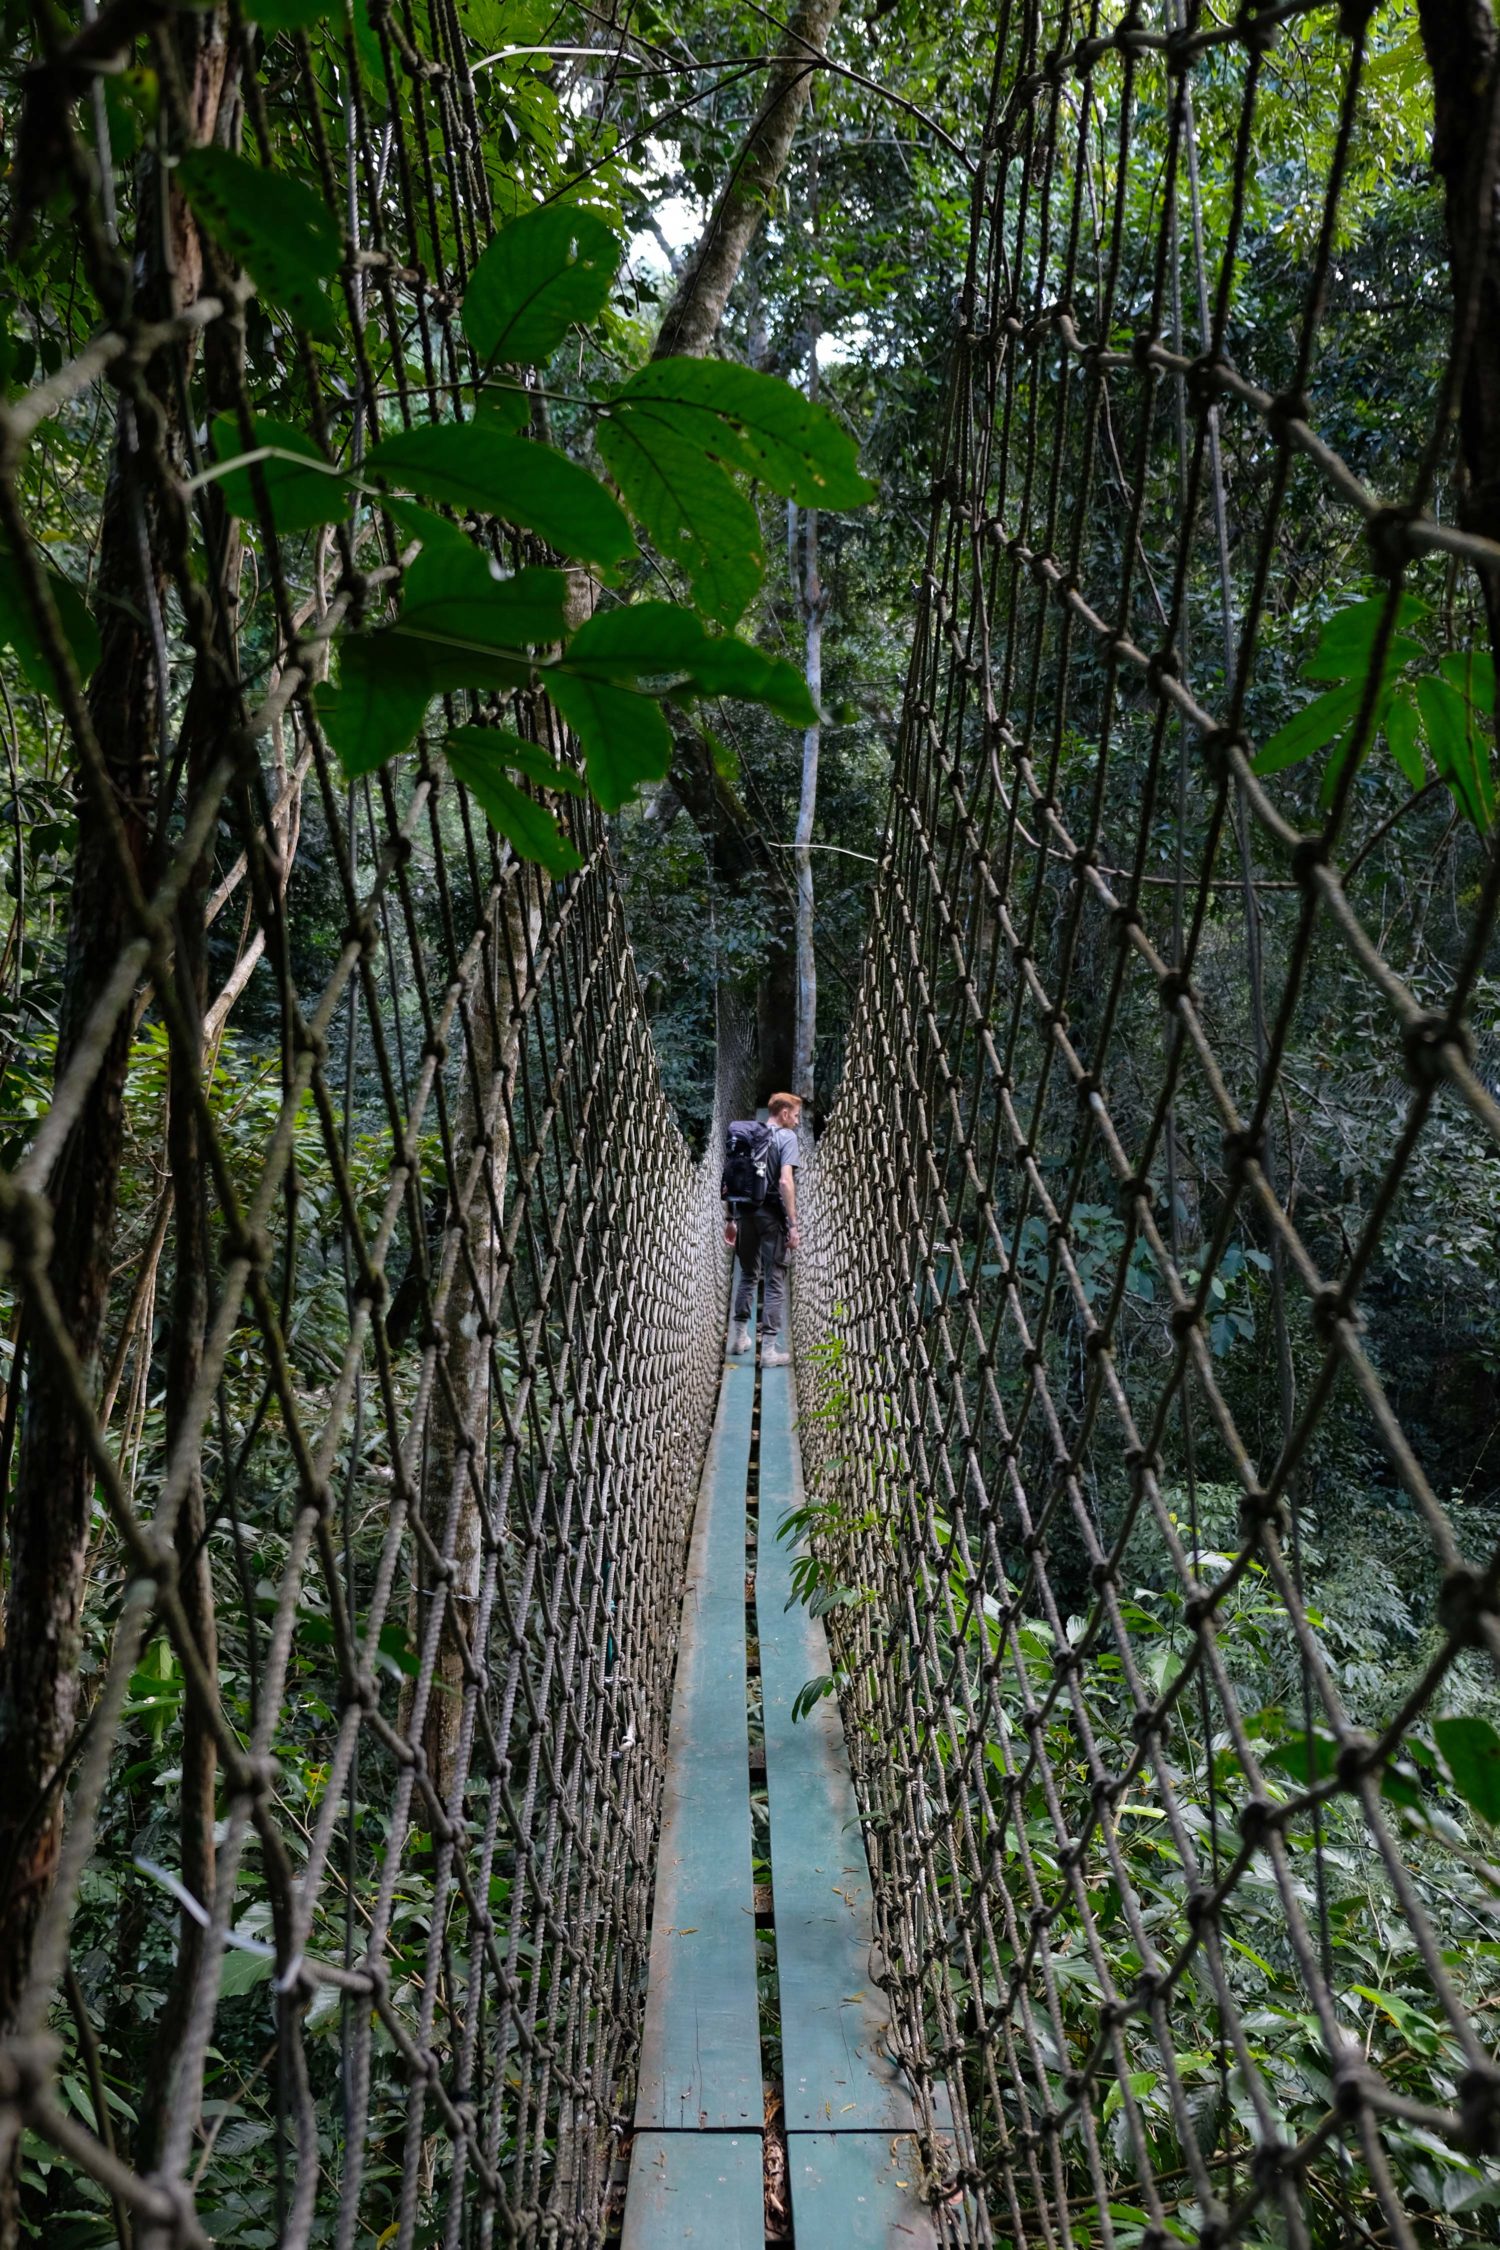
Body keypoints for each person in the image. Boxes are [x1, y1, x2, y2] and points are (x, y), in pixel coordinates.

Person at [724, 1092, 801, 1365]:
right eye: (794, 1115)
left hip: (743, 1214)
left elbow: (731, 1181)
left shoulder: (744, 1137)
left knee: (747, 1274)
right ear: (783, 1113)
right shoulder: (786, 1138)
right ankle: (768, 1351)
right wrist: (792, 1224)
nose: (796, 1120)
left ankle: (738, 1338)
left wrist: (730, 1220)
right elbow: (785, 1182)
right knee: (775, 1279)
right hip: (770, 1217)